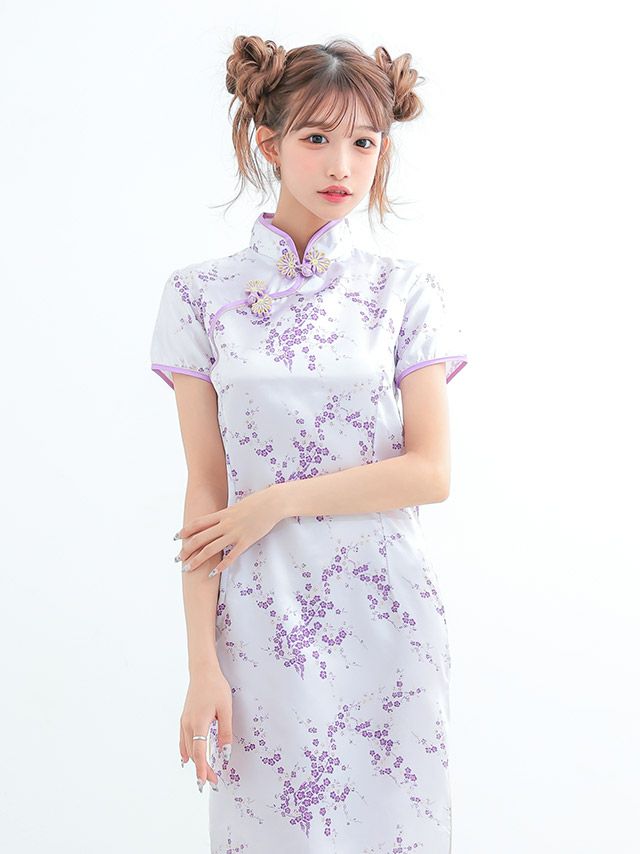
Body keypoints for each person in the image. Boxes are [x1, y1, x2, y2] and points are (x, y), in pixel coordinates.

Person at [150, 34, 469, 854]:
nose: (342, 165)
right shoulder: (198, 296)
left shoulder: (406, 293)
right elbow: (205, 494)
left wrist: (278, 502)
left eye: (364, 143)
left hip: (385, 614)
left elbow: (430, 472)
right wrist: (201, 665)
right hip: (257, 619)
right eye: (317, 137)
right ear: (269, 143)